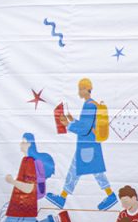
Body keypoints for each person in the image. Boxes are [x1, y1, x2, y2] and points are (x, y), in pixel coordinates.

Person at [47, 78, 118, 211]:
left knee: (83, 171)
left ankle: (62, 198)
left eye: (81, 89)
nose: (79, 92)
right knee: (82, 171)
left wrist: (68, 125)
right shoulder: (92, 104)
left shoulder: (89, 105)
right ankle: (110, 195)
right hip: (89, 145)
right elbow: (87, 124)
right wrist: (72, 120)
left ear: (87, 89)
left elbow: (85, 128)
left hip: (87, 146)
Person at [0, 133, 71, 222]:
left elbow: (30, 188)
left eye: (24, 141)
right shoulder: (25, 160)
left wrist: (12, 181)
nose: (21, 144)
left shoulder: (30, 162)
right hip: (22, 200)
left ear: (30, 144)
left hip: (24, 201)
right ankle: (58, 220)